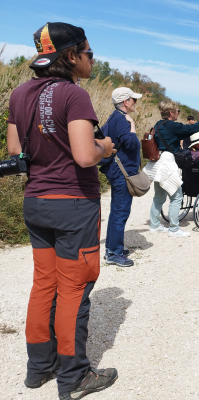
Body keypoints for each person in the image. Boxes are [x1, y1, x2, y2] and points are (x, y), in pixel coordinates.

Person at [6, 22, 118, 399]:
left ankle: (38, 368)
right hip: (73, 205)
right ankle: (74, 378)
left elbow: (12, 151)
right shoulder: (74, 95)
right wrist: (105, 146)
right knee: (73, 289)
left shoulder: (19, 94)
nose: (92, 60)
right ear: (71, 56)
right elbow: (85, 155)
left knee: (44, 284)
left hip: (35, 201)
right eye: (89, 54)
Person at [146, 101, 199, 238]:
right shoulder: (172, 126)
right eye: (177, 111)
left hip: (157, 162)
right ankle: (174, 229)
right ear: (171, 113)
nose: (179, 113)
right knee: (177, 196)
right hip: (167, 162)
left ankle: (154, 225)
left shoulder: (158, 125)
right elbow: (191, 129)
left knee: (159, 196)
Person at [100, 87, 143, 267]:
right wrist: (132, 126)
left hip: (116, 172)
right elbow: (131, 143)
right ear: (126, 102)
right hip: (122, 174)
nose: (135, 102)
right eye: (133, 99)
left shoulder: (112, 118)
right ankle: (114, 253)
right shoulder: (124, 120)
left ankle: (112, 248)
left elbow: (101, 135)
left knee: (116, 211)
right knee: (121, 212)